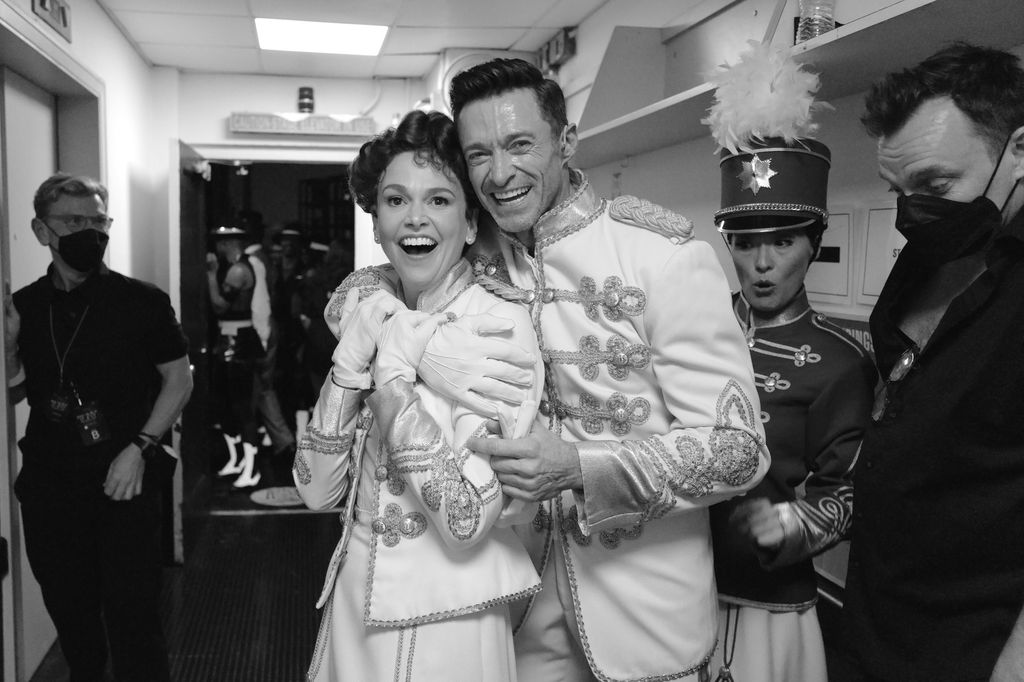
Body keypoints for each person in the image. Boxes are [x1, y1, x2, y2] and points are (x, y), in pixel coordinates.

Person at [346, 58, 766, 681]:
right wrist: (423, 346)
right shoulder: (475, 240)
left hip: (643, 611)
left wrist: (580, 469)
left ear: (566, 142)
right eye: (479, 153)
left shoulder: (662, 258)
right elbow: (358, 292)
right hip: (514, 605)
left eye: (520, 145)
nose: (500, 172)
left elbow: (738, 450)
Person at [293, 109, 545, 681]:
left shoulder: (500, 327)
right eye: (396, 200)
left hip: (452, 616)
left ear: (472, 222)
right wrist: (349, 366)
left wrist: (398, 383)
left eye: (439, 200)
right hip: (357, 599)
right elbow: (314, 491)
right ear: (376, 221)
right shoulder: (369, 312)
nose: (415, 219)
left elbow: (465, 521)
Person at [840, 43, 1024, 682]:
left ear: (1019, 151)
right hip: (877, 615)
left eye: (936, 186)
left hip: (974, 644)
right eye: (899, 191)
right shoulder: (929, 253)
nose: (913, 212)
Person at [699, 44, 876, 679]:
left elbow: (849, 492)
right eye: (746, 244)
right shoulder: (691, 329)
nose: (763, 263)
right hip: (674, 584)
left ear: (814, 242)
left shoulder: (839, 361)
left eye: (783, 241)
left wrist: (790, 524)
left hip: (768, 603)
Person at [4, 173, 192, 681]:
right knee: (73, 619)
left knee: (135, 621)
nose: (91, 231)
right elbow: (18, 391)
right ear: (42, 230)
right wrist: (7, 347)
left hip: (124, 482)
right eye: (74, 221)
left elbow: (178, 380)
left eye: (98, 220)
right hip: (50, 487)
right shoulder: (25, 306)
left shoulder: (142, 301)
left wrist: (140, 447)